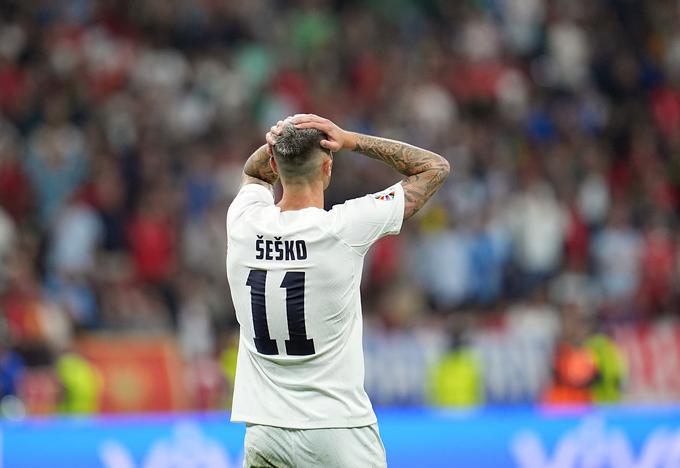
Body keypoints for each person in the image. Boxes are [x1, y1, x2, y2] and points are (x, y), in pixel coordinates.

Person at [226, 113, 450, 467]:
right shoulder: (343, 228)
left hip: (265, 429)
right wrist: (349, 139)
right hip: (336, 429)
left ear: (274, 163)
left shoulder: (243, 222)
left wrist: (278, 140)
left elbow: (252, 174)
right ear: (328, 168)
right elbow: (434, 168)